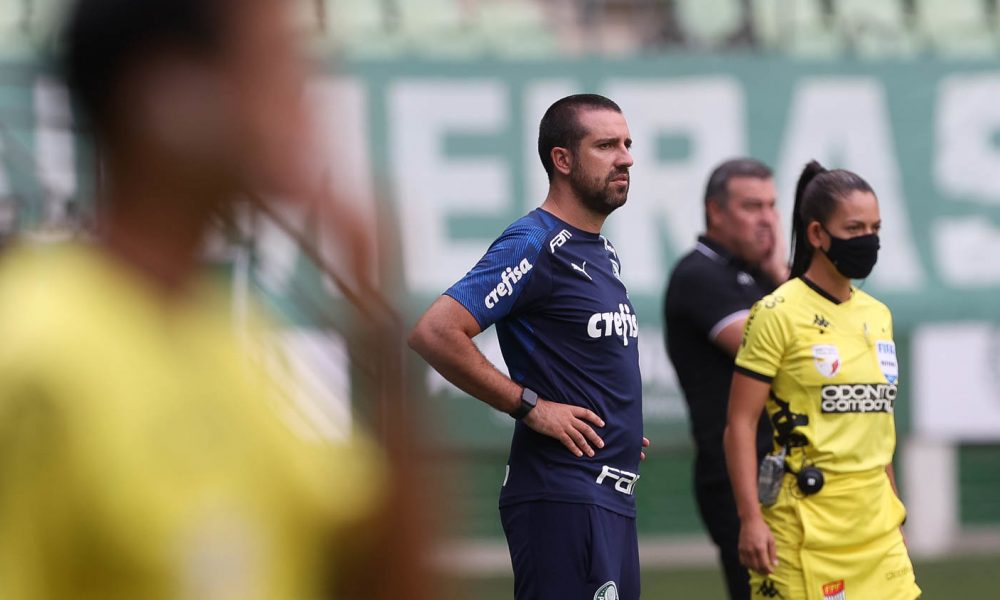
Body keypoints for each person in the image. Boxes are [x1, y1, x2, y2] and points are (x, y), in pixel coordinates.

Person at [0, 0, 424, 598]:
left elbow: (374, 577)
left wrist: (379, 331)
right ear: (165, 97)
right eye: (272, 62)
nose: (301, 92)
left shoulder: (236, 346)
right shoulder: (32, 351)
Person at [409, 94, 648, 600]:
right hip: (563, 496)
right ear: (562, 160)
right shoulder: (534, 242)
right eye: (606, 145)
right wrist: (532, 407)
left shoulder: (602, 252)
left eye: (627, 144)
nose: (626, 157)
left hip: (608, 498)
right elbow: (435, 332)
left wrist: (622, 428)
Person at [724, 160, 921, 599]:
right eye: (855, 228)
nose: (868, 240)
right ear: (817, 234)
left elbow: (877, 430)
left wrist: (896, 518)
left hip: (879, 531)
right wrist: (751, 519)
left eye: (876, 227)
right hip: (804, 534)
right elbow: (739, 424)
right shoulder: (776, 313)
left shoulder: (878, 315)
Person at [663, 158, 786, 600]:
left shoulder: (760, 276)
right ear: (716, 211)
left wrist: (776, 274)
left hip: (779, 473)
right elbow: (782, 356)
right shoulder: (699, 274)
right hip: (738, 476)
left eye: (772, 206)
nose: (768, 219)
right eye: (752, 206)